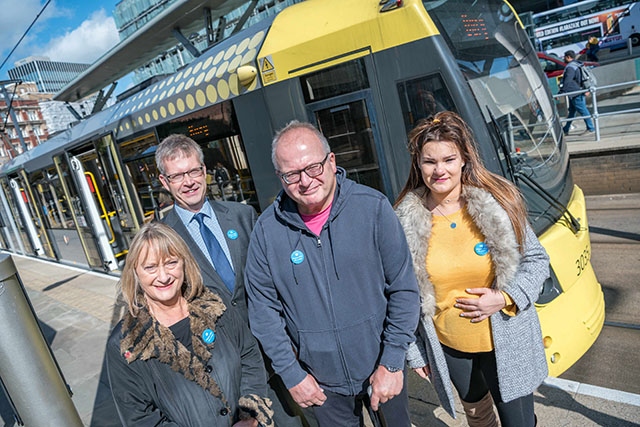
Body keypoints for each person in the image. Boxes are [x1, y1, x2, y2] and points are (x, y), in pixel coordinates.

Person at [244, 120, 421, 426]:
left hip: (381, 368)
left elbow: (404, 289)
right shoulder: (266, 232)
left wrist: (392, 361)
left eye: (313, 167)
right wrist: (292, 374)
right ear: (280, 177)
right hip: (319, 385)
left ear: (332, 160)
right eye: (292, 174)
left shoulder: (372, 208)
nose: (305, 180)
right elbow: (263, 312)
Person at [393, 111, 550, 427]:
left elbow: (537, 261)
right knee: (478, 418)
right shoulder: (402, 220)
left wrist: (504, 297)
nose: (440, 170)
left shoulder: (499, 203)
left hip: (505, 340)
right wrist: (415, 353)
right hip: (451, 348)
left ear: (464, 159)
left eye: (449, 159)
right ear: (418, 165)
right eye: (429, 162)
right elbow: (399, 294)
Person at [155, 134, 306, 426]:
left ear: (204, 170)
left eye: (194, 171)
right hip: (223, 370)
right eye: (177, 176)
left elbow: (275, 280)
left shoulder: (243, 216)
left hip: (273, 355)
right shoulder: (163, 237)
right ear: (164, 182)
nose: (188, 182)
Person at [105, 221, 273, 426]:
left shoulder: (215, 303)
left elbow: (249, 355)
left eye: (171, 263)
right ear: (136, 273)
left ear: (184, 263)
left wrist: (250, 416)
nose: (164, 276)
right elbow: (139, 418)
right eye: (150, 267)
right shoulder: (127, 342)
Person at [560, 50, 595, 136]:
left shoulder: (570, 67)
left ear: (568, 57)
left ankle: (591, 128)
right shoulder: (577, 64)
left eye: (564, 57)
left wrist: (561, 91)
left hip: (575, 92)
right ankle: (566, 129)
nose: (563, 59)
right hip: (577, 91)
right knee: (572, 111)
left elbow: (567, 81)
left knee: (583, 110)